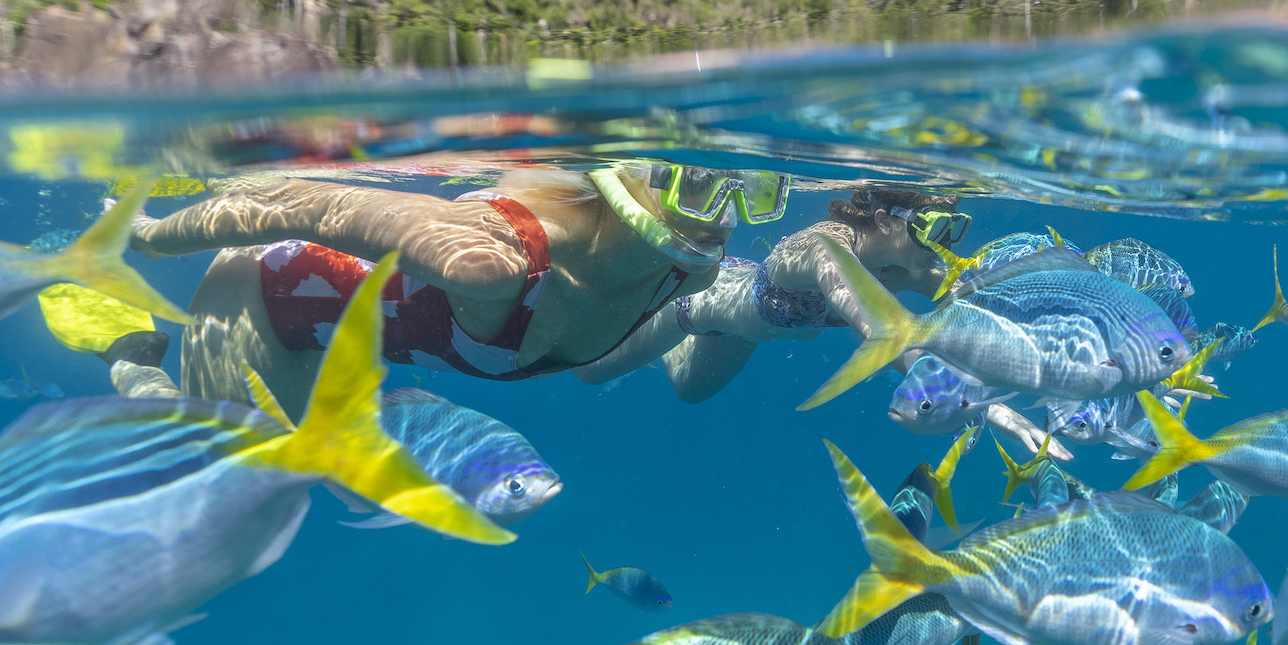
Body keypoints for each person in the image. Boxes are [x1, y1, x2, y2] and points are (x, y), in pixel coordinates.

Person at [104, 162, 782, 417]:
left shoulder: (688, 270)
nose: (724, 212)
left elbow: (594, 367)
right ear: (627, 177)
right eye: (695, 182)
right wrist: (146, 233)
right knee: (231, 479)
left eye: (754, 188)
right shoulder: (495, 258)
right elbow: (295, 201)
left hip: (365, 331)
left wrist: (755, 314)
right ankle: (132, 365)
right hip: (269, 290)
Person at [575, 184, 1066, 458]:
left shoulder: (906, 264)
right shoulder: (822, 247)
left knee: (690, 389)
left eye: (953, 230)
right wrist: (980, 403)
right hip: (694, 310)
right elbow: (882, 329)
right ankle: (631, 283)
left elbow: (979, 308)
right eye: (934, 229)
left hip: (745, 332)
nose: (945, 244)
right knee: (585, 368)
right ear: (887, 218)